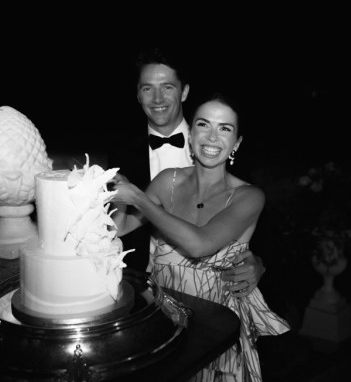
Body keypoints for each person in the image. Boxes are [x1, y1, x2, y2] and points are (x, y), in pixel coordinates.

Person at [111, 94, 290, 382]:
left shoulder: (248, 196)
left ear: (237, 144)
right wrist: (117, 196)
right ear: (191, 135)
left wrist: (140, 200)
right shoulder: (166, 181)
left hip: (218, 334)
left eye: (225, 128)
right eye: (203, 125)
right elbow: (120, 228)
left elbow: (200, 245)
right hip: (160, 325)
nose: (212, 136)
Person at [108, 46, 265, 297]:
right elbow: (117, 228)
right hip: (147, 289)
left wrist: (259, 263)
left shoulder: (227, 155)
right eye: (148, 88)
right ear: (138, 95)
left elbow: (254, 225)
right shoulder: (121, 155)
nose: (158, 99)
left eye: (168, 87)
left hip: (218, 297)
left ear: (184, 91)